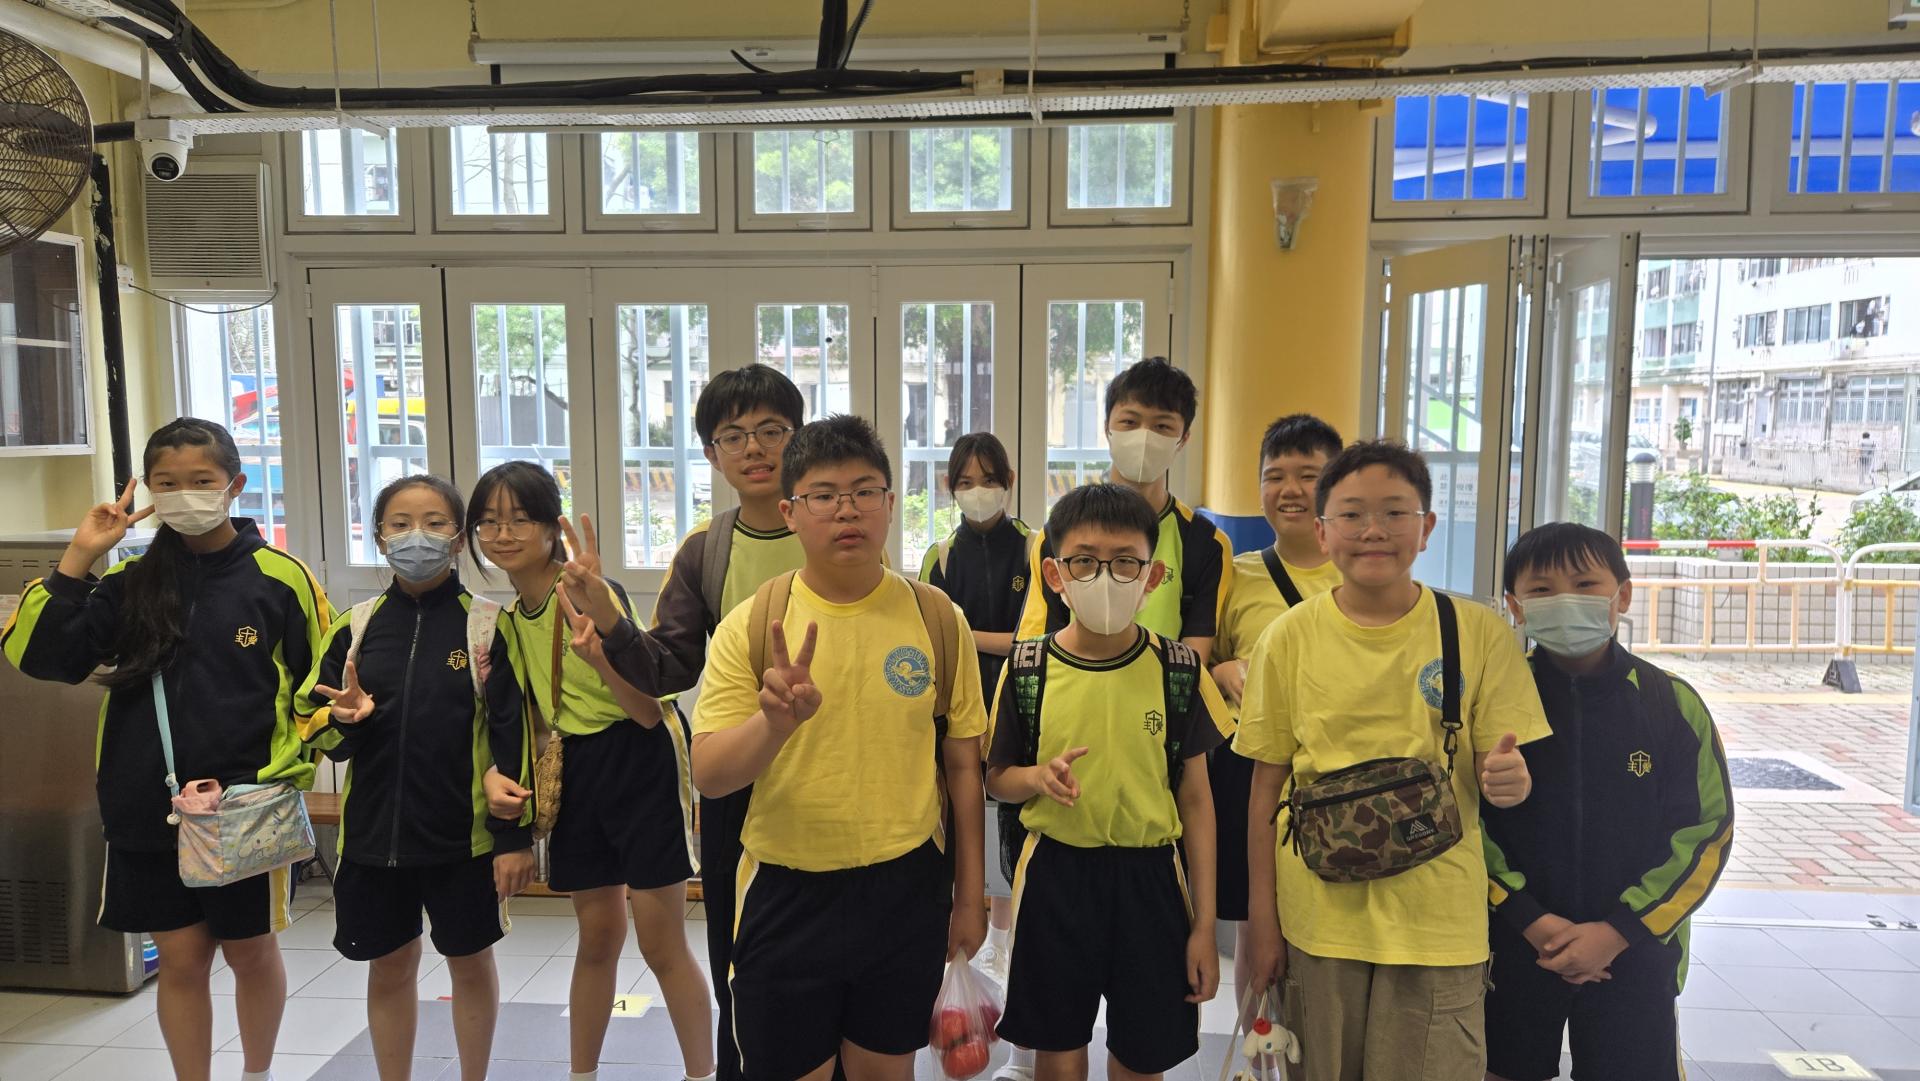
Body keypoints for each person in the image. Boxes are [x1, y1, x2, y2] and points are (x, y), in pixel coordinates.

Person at [2, 417, 331, 1081]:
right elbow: (41, 658)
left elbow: (318, 692)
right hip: (147, 807)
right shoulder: (128, 582)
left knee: (250, 953)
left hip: (243, 808)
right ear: (149, 492)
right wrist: (78, 557)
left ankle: (258, 1074)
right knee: (181, 961)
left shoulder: (280, 578)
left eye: (201, 481)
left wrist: (282, 773)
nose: (185, 495)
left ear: (235, 485)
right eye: (167, 483)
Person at [1237, 440, 1550, 1081]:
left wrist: (1511, 782)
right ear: (1323, 532)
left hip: (1438, 924)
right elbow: (1265, 791)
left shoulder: (1477, 632)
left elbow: (1503, 772)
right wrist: (1263, 924)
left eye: (1395, 513)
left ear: (1426, 527)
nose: (1373, 530)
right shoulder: (1287, 638)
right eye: (1352, 514)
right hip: (1318, 921)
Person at [690, 414, 988, 1081]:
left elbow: (964, 766)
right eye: (823, 495)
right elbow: (709, 773)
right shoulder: (754, 623)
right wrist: (773, 724)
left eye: (864, 491)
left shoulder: (938, 619)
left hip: (905, 889)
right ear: (791, 513)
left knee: (886, 1070)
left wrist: (970, 897)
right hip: (786, 892)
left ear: (891, 503)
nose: (847, 510)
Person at [560, 363, 808, 1081]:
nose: (754, 447)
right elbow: (668, 667)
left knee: (829, 949)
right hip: (738, 774)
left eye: (771, 430)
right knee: (739, 948)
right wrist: (609, 616)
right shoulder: (706, 549)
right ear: (711, 454)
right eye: (734, 435)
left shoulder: (833, 528)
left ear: (798, 438)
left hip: (833, 772)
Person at [467, 462, 713, 1081]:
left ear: (552, 528)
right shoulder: (507, 618)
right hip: (576, 766)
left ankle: (702, 1073)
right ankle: (582, 1073)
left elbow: (649, 712)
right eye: (489, 522)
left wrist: (601, 658)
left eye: (520, 519)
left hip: (641, 757)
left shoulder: (587, 590)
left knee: (660, 942)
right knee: (597, 936)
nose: (502, 534)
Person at [299, 474, 536, 1081]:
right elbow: (312, 726)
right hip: (373, 840)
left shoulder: (487, 625)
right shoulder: (355, 627)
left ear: (458, 539)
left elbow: (512, 736)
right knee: (390, 967)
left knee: (470, 964)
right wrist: (346, 720)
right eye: (400, 524)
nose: (416, 537)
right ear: (380, 537)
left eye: (434, 523)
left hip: (464, 842)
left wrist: (513, 839)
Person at [986, 483, 1225, 1081]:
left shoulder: (1180, 670)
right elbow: (996, 779)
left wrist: (1204, 925)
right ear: (1054, 574)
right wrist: (1036, 778)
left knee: (1143, 1053)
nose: (1105, 578)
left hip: (1152, 880)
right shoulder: (1026, 669)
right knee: (1057, 1045)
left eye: (1124, 563)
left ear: (1153, 576)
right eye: (1084, 562)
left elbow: (1197, 801)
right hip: (1055, 877)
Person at [1484, 522, 1734, 1081]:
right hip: (1515, 946)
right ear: (1515, 606)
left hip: (1636, 951)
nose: (1565, 600)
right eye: (1542, 590)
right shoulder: (1496, 701)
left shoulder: (1671, 704)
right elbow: (1467, 828)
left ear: (1622, 595)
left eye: (1584, 584)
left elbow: (1706, 833)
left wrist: (1618, 932)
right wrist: (1530, 919)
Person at [1206, 414, 1344, 1009]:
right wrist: (1221, 673)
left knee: (1326, 916)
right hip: (1251, 766)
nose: (1290, 489)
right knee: (1254, 924)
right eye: (1274, 475)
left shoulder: (1361, 572)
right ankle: (1257, 1050)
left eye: (1308, 475)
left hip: (1336, 770)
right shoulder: (1234, 575)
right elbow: (1205, 661)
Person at [1014, 357, 1231, 661]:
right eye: (1130, 422)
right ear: (1107, 428)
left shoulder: (1206, 543)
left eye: (1162, 426)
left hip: (1161, 690)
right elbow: (1036, 648)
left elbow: (1195, 658)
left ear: (1183, 439)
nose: (1145, 436)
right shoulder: (1059, 533)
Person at [918, 432, 1034, 987]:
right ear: (949, 487)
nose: (978, 491)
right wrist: (990, 641)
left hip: (1021, 708)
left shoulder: (1035, 549)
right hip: (957, 713)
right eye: (965, 482)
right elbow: (931, 642)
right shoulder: (941, 557)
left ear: (1009, 482)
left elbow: (1036, 640)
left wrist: (968, 634)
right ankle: (966, 932)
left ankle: (1007, 942)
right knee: (964, 819)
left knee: (1011, 820)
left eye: (989, 480)